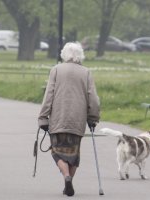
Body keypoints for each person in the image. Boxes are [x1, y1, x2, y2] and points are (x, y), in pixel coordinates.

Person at [38, 42, 100, 196]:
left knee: (57, 151)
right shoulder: (86, 72)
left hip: (58, 118)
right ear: (80, 56)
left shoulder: (56, 70)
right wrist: (93, 117)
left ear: (64, 55)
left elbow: (49, 95)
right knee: (74, 154)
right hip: (77, 120)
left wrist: (43, 117)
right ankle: (69, 182)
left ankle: (66, 177)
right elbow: (93, 98)